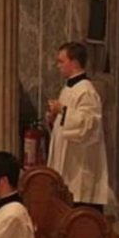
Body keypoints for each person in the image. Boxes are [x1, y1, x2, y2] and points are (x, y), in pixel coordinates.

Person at [46, 41, 110, 210]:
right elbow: (65, 124)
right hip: (66, 162)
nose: (58, 65)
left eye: (61, 61)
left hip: (79, 167)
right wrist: (54, 118)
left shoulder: (86, 91)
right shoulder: (68, 88)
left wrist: (63, 110)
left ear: (74, 63)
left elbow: (88, 125)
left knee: (79, 210)